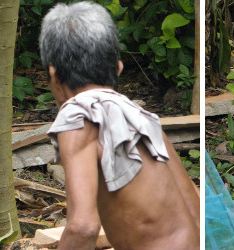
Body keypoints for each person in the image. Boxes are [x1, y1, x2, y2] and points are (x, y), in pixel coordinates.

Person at [40, 2, 200, 249]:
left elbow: (83, 227)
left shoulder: (78, 116)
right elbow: (196, 206)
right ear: (118, 68)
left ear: (53, 74)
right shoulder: (142, 117)